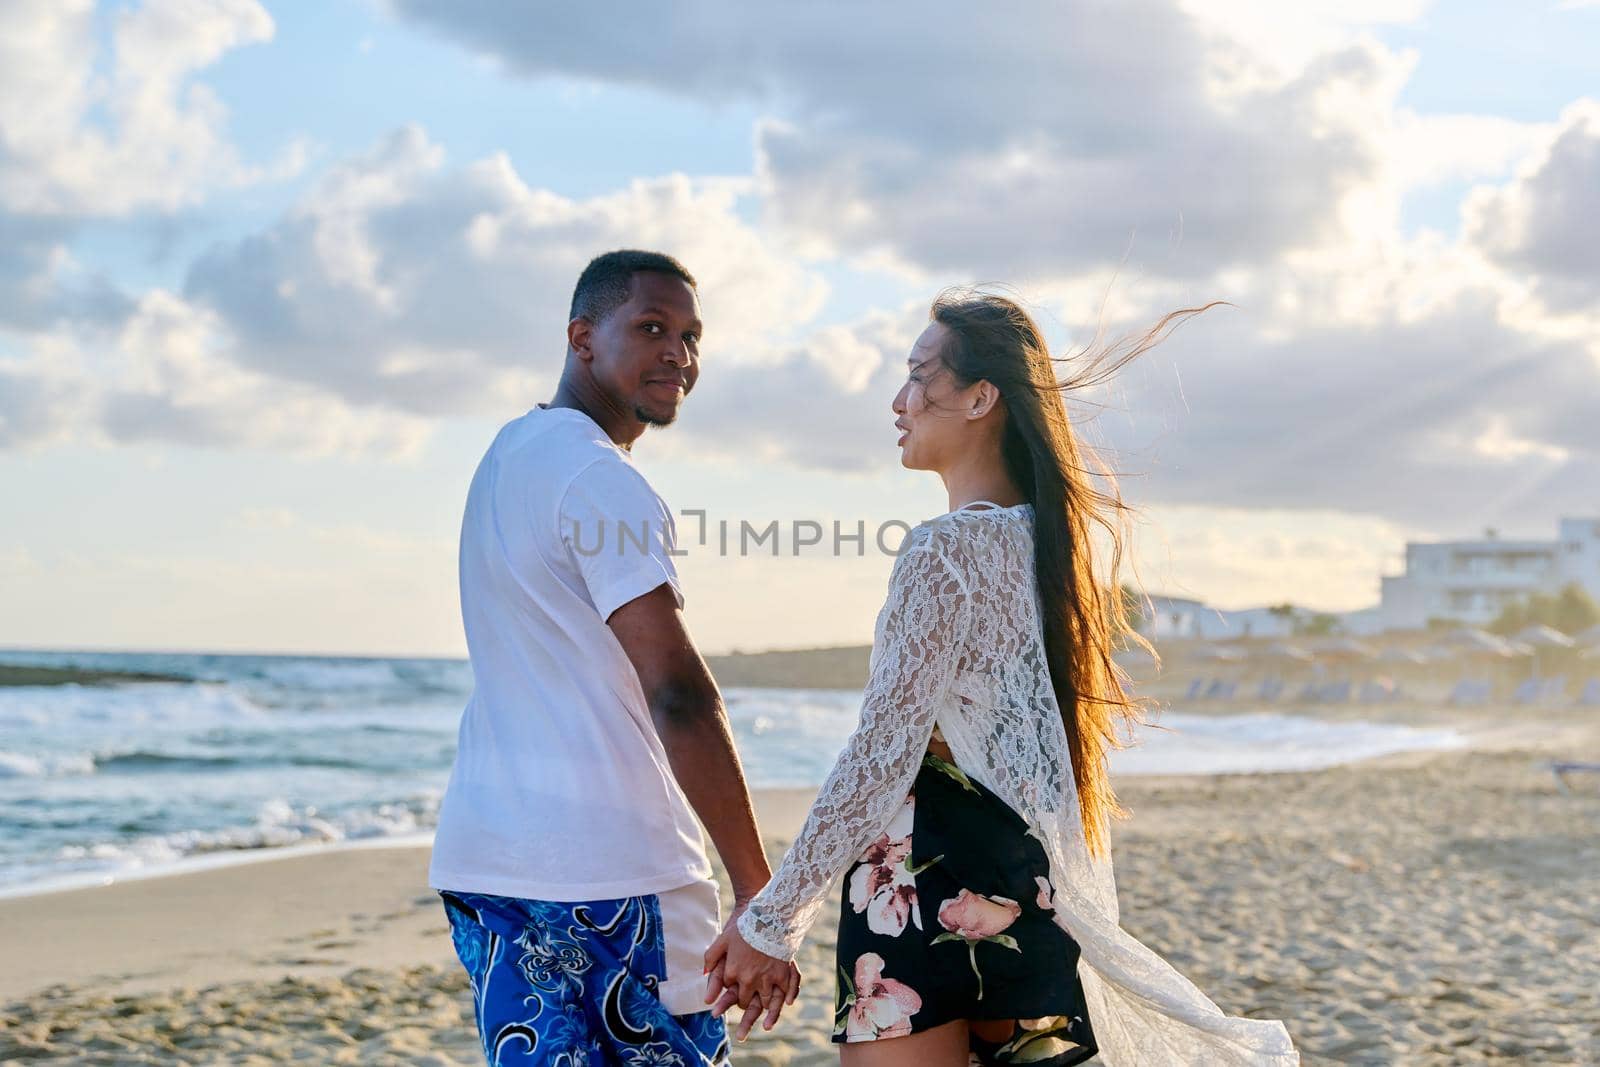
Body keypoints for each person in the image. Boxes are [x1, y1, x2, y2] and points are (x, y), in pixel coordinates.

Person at [704, 291, 1299, 1065]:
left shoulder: (944, 550)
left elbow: (880, 756)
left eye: (920, 376)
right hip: (1026, 887)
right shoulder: (1048, 550)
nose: (899, 399)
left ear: (982, 396)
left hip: (922, 890)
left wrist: (772, 920)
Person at [430, 250, 798, 1066]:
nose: (679, 353)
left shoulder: (505, 458)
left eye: (693, 337)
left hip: (491, 861)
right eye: (653, 327)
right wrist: (755, 888)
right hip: (613, 869)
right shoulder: (599, 480)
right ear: (582, 337)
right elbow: (677, 692)